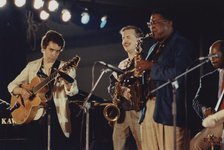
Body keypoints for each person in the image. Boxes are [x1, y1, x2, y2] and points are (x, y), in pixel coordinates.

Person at [8, 30, 79, 150]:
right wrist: (22, 91)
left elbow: (74, 91)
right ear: (43, 48)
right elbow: (11, 85)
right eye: (51, 50)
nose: (54, 54)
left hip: (57, 116)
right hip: (34, 115)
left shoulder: (66, 67)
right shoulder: (32, 66)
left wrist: (67, 83)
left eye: (58, 51)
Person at [136, 9, 195, 150]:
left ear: (169, 23)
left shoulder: (182, 44)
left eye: (155, 22)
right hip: (149, 108)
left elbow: (180, 74)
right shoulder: (152, 48)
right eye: (150, 23)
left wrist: (151, 66)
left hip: (169, 110)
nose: (151, 27)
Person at [107, 25, 144, 150]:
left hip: (139, 112)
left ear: (138, 40)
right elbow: (111, 86)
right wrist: (121, 91)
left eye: (128, 37)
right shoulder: (121, 64)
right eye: (123, 38)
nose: (124, 41)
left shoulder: (145, 61)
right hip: (121, 113)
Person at [190, 40, 224, 150]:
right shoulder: (207, 79)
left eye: (215, 55)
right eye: (210, 55)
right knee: (195, 145)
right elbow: (196, 101)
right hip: (217, 123)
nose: (212, 59)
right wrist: (204, 110)